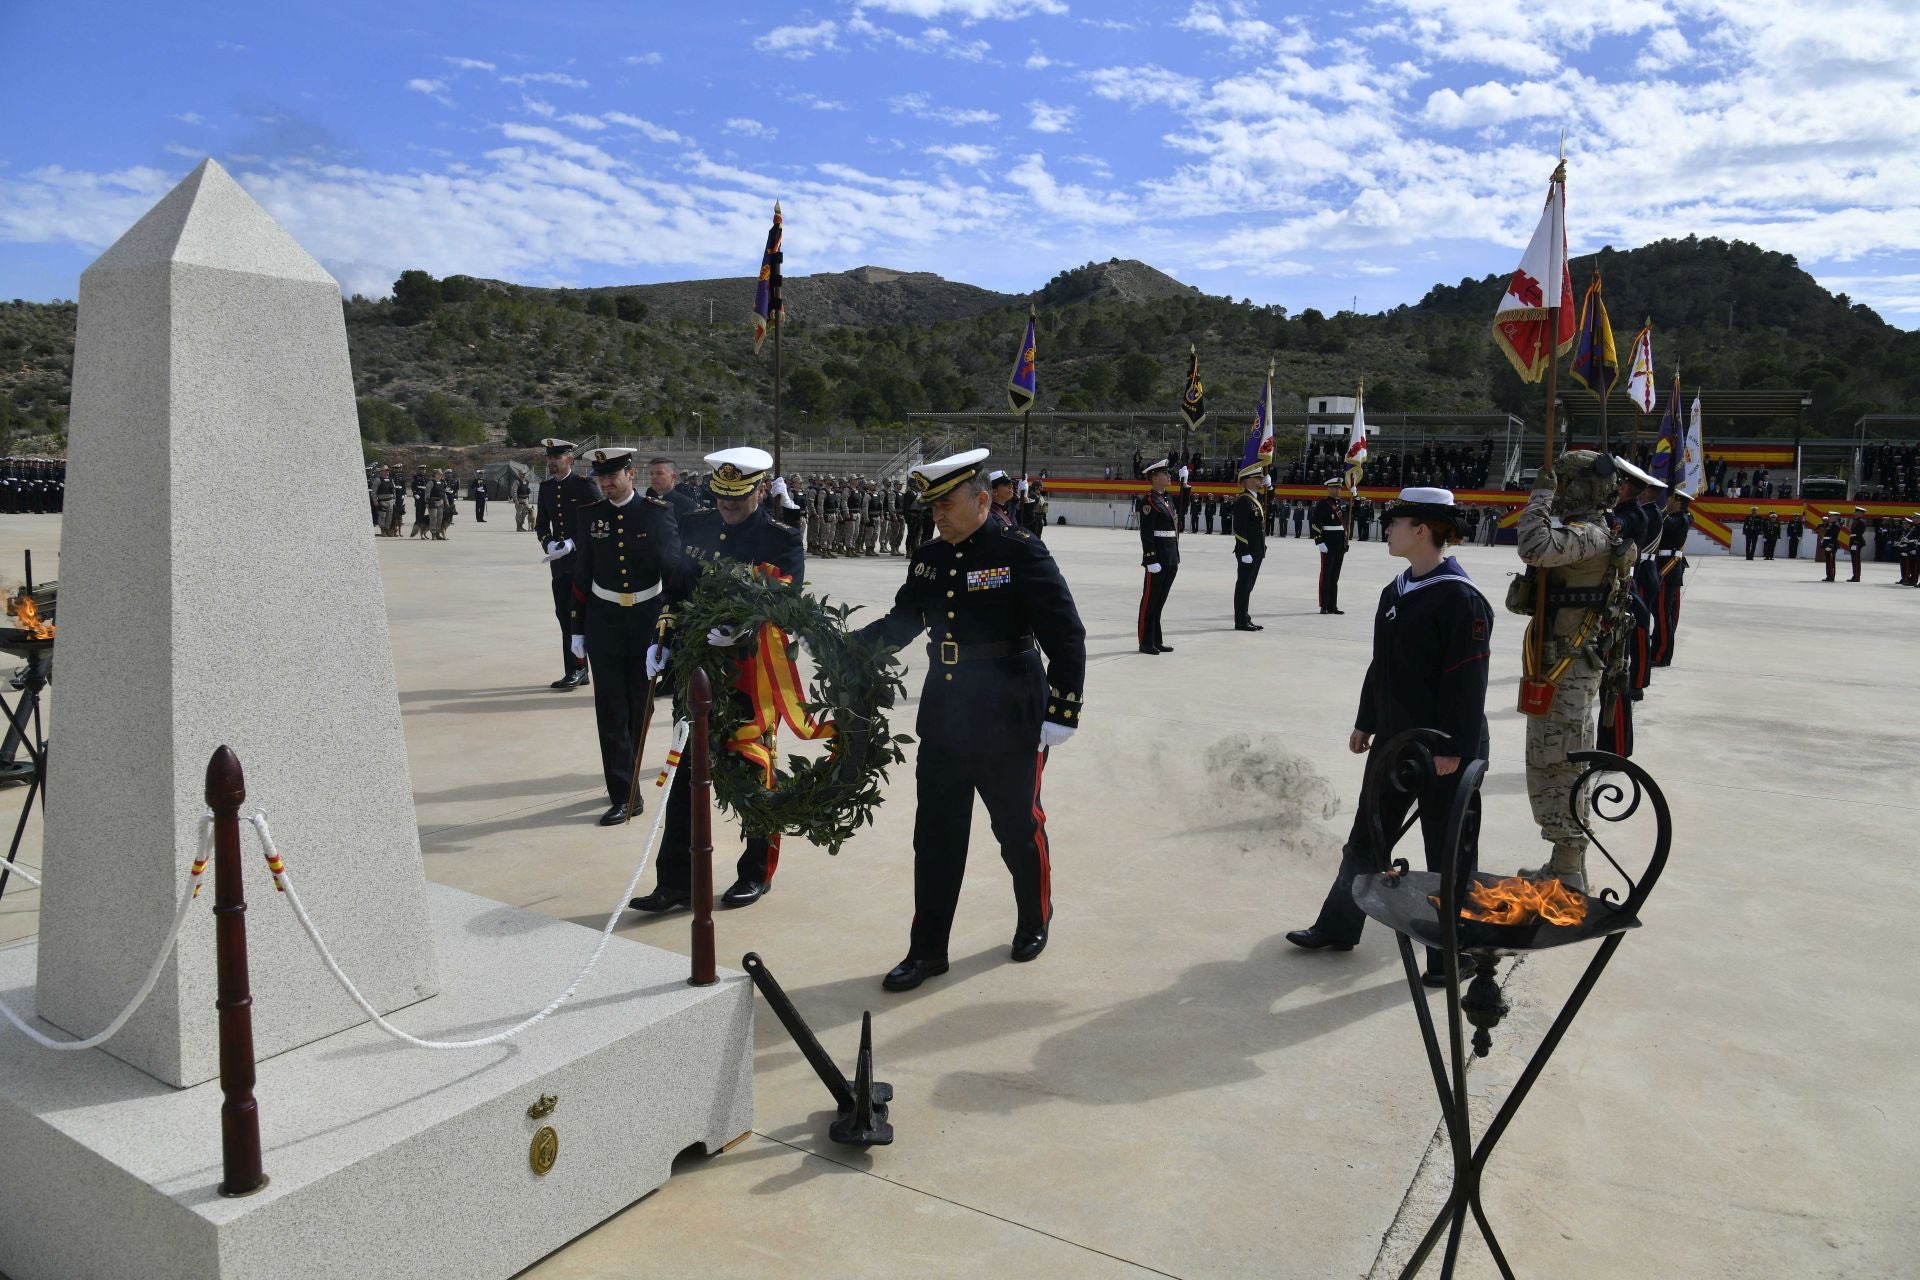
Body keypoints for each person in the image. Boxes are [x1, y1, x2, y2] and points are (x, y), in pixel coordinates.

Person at [853, 448, 1086, 992]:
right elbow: (902, 622)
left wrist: (1063, 708)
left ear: (982, 500)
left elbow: (1065, 632)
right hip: (946, 712)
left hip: (1010, 711)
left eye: (947, 504)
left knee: (1017, 829)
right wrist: (844, 647)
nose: (937, 514)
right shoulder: (929, 557)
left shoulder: (1020, 550)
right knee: (935, 835)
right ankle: (928, 951)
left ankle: (1034, 916)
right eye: (932, 505)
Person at [1286, 487, 1492, 985]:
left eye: (1394, 521)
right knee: (1367, 837)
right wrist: (1366, 720)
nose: (1386, 528)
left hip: (1444, 749)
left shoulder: (1461, 599)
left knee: (1446, 851)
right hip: (1395, 742)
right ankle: (1338, 926)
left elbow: (1467, 681)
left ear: (1421, 530)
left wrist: (1453, 749)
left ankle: (1452, 953)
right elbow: (1383, 667)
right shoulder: (1397, 590)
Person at [631, 447, 803, 912]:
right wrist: (660, 637)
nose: (728, 505)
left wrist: (743, 627)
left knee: (752, 770)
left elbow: (787, 602)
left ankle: (755, 873)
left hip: (750, 674)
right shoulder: (697, 524)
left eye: (738, 497)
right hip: (698, 667)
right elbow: (677, 590)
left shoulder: (781, 537)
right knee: (686, 775)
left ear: (761, 489)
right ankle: (676, 881)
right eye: (722, 495)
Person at [1515, 452, 1619, 892]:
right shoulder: (1592, 531)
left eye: (1562, 482)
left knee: (1557, 763)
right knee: (1555, 760)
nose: (1557, 489)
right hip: (1563, 663)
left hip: (1567, 667)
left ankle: (1569, 869)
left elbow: (1533, 547)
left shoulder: (1588, 535)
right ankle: (1564, 863)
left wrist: (1539, 495)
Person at [567, 448, 681, 826]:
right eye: (601, 476)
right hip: (604, 623)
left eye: (612, 475)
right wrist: (577, 628)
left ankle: (626, 774)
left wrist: (672, 629)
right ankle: (624, 795)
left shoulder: (655, 514)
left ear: (630, 475)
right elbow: (582, 572)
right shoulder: (590, 517)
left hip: (647, 624)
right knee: (611, 711)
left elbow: (674, 574)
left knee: (640, 708)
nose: (605, 482)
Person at [536, 438, 601, 689]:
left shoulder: (584, 486)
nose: (552, 462)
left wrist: (574, 543)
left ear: (570, 460)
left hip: (585, 564)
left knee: (587, 618)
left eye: (557, 457)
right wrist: (549, 543)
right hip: (560, 565)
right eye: (549, 457)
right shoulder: (546, 488)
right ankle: (576, 669)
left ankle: (586, 668)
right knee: (565, 615)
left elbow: (598, 522)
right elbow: (541, 524)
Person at [1135, 459, 1181, 654]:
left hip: (1170, 555)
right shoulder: (1149, 501)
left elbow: (1179, 516)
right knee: (1150, 601)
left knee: (1160, 601)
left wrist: (1186, 486)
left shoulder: (1167, 499)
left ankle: (1156, 639)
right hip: (1158, 558)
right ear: (1155, 477)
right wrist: (1151, 558)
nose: (1169, 476)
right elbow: (1146, 533)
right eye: (1165, 473)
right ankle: (1145, 642)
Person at [1652, 489, 1693, 666]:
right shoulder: (1677, 517)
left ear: (1677, 502)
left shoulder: (1682, 519)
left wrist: (1662, 508)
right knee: (1664, 613)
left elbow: (1665, 522)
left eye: (1670, 500)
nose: (1667, 502)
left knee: (1663, 614)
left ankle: (1661, 654)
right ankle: (1660, 651)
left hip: (1668, 570)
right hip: (1667, 568)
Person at [1230, 454, 1267, 632]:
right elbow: (1239, 528)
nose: (1262, 479)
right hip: (1248, 552)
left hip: (1257, 550)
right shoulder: (1243, 500)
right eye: (1258, 477)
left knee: (1249, 586)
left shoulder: (1255, 499)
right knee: (1243, 586)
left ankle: (1245, 617)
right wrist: (1244, 551)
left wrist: (1270, 486)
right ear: (1249, 480)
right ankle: (1240, 621)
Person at [1312, 478, 1349, 614]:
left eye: (1340, 488)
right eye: (1336, 488)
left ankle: (1333, 605)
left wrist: (1355, 496)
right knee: (1326, 575)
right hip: (1328, 544)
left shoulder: (1340, 504)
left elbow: (1344, 523)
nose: (1338, 490)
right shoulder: (1323, 504)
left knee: (1335, 577)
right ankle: (1324, 605)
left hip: (1339, 545)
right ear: (1329, 489)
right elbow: (1316, 524)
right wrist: (1319, 541)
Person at [647, 457, 701, 522]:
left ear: (673, 477)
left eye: (659, 473)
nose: (654, 477)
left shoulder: (688, 506)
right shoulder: (646, 503)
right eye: (651, 474)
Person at [1820, 510, 1842, 581]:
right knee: (1828, 561)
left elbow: (1834, 537)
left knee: (1831, 561)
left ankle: (1831, 576)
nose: (1829, 518)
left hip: (1831, 546)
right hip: (1828, 545)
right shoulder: (1832, 524)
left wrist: (1830, 545)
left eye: (1830, 516)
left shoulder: (1836, 525)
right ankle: (1828, 576)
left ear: (1835, 517)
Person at [1849, 506, 1869, 581]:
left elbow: (1859, 533)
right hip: (1854, 541)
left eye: (1856, 512)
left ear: (1860, 513)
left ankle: (1856, 577)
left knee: (1856, 560)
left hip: (1856, 542)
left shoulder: (1861, 521)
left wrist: (1855, 542)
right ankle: (1855, 575)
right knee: (1854, 560)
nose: (1854, 513)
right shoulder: (1856, 520)